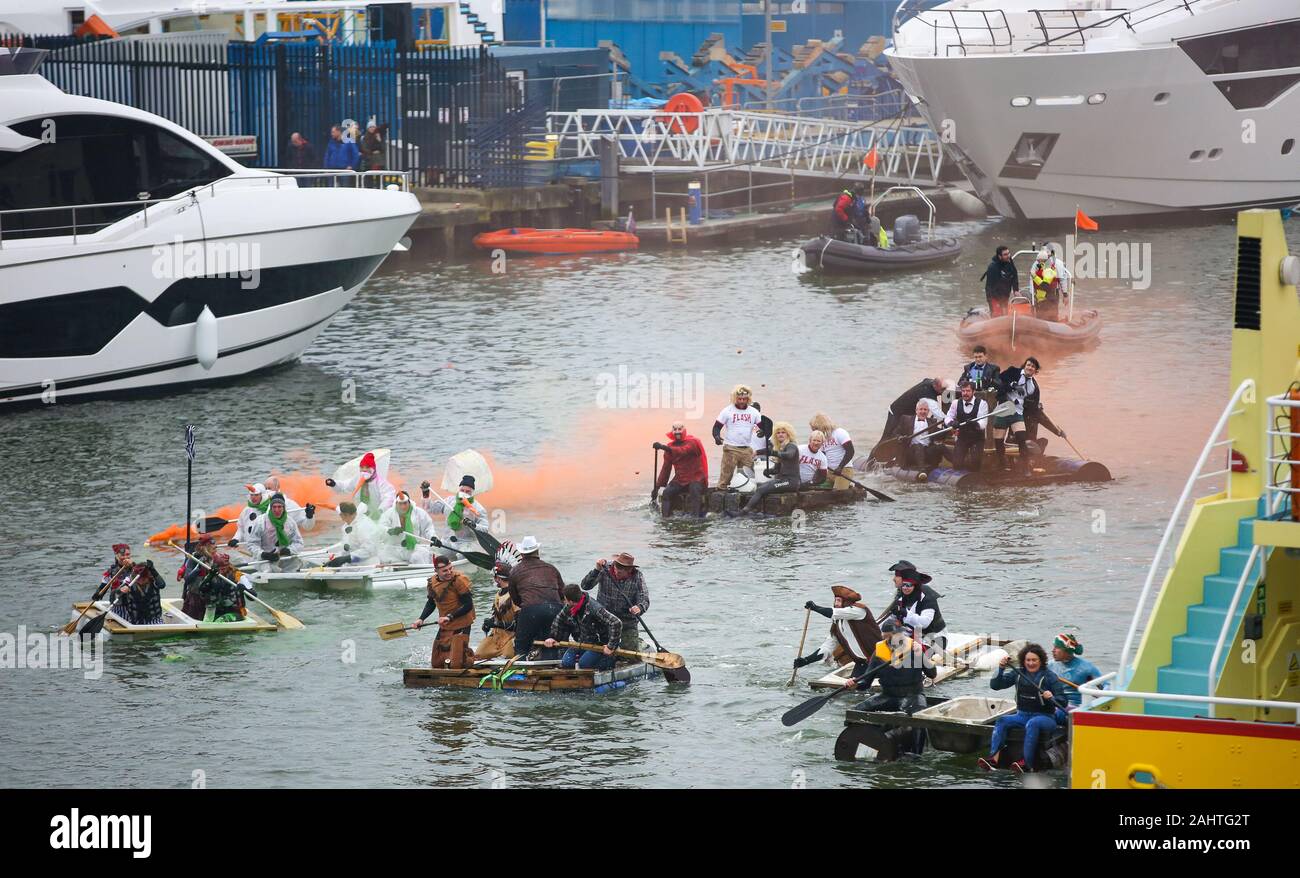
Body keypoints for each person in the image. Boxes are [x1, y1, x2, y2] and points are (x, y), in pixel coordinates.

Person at [981, 643, 1067, 772]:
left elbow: (1063, 701)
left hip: (1045, 718)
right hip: (1022, 715)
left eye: (1034, 660)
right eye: (1028, 660)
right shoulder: (1018, 673)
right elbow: (996, 685)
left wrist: (1052, 696)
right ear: (1023, 660)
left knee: (1033, 723)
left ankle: (1026, 763)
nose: (1031, 663)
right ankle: (994, 759)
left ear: (1041, 661)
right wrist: (1001, 668)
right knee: (1002, 721)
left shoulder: (1050, 676)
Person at [843, 618, 936, 715]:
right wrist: (856, 684)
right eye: (886, 637)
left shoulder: (914, 649)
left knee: (917, 715)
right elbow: (866, 682)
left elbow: (932, 674)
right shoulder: (879, 653)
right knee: (856, 711)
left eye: (893, 636)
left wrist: (922, 655)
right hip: (888, 696)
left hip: (913, 696)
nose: (890, 641)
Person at [792, 584, 883, 676]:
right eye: (835, 601)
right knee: (853, 688)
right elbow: (827, 648)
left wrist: (815, 608)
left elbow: (833, 613)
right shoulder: (837, 624)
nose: (836, 604)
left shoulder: (859, 611)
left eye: (839, 601)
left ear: (847, 602)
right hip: (862, 664)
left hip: (879, 661)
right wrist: (806, 660)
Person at [996, 356, 1064, 475]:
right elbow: (998, 382)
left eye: (1033, 366)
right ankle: (1001, 465)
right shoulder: (1013, 372)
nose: (1030, 367)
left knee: (1022, 438)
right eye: (1028, 365)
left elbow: (1035, 410)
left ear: (1036, 371)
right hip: (1004, 409)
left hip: (1018, 412)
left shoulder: (1034, 387)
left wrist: (1057, 431)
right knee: (998, 440)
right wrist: (1012, 385)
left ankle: (1025, 468)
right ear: (1024, 366)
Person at [412, 555, 476, 669]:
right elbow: (431, 603)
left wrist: (450, 617)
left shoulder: (459, 580)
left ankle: (469, 657)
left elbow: (468, 605)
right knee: (436, 662)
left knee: (456, 664)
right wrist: (421, 619)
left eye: (450, 568)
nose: (449, 572)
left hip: (462, 622)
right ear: (436, 571)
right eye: (445, 570)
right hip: (445, 624)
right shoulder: (432, 582)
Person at [507, 536, 566, 658]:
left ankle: (522, 669)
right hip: (555, 609)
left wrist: (527, 607)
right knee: (552, 643)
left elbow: (515, 598)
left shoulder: (515, 571)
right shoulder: (551, 568)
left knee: (521, 645)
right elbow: (562, 594)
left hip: (530, 610)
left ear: (522, 554)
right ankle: (552, 668)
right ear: (537, 552)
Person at [543, 584, 622, 671]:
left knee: (584, 664)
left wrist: (611, 646)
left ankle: (611, 660)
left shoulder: (594, 609)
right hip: (582, 643)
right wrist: (552, 637)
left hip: (600, 645)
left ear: (570, 601)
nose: (564, 602)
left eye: (565, 599)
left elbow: (616, 622)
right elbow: (559, 620)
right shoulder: (569, 607)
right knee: (567, 663)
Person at [580, 553, 648, 650]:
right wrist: (596, 570)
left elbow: (644, 598)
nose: (616, 574)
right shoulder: (605, 569)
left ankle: (639, 644)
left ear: (629, 571)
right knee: (601, 649)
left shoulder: (637, 577)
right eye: (615, 570)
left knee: (629, 653)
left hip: (627, 621)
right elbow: (585, 586)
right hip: (604, 619)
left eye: (620, 573)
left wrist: (639, 607)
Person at [735, 421, 800, 515]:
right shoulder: (780, 448)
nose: (780, 434)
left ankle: (743, 512)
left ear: (788, 434)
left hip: (791, 481)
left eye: (783, 432)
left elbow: (789, 455)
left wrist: (773, 453)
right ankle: (753, 510)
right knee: (760, 487)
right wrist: (769, 471)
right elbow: (777, 470)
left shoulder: (791, 446)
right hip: (783, 480)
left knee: (761, 490)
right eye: (778, 433)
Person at [421, 475, 488, 559]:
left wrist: (473, 525)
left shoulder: (478, 509)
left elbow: (485, 529)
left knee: (463, 556)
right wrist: (425, 494)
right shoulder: (449, 501)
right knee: (432, 552)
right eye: (462, 490)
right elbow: (431, 509)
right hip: (448, 541)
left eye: (468, 491)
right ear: (459, 489)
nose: (464, 493)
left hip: (466, 543)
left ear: (472, 493)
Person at [653, 421, 708, 517]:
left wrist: (664, 447)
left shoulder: (694, 442)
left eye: (680, 429)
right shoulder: (670, 446)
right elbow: (666, 468)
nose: (677, 432)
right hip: (680, 479)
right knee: (666, 493)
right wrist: (657, 487)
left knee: (694, 491)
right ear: (672, 431)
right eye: (675, 429)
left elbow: (684, 450)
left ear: (684, 430)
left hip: (696, 477)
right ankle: (665, 519)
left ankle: (696, 519)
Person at [713, 384, 763, 489]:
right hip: (730, 448)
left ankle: (747, 490)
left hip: (746, 449)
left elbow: (762, 426)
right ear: (735, 398)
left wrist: (762, 432)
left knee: (750, 474)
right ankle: (722, 491)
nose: (741, 401)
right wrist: (717, 436)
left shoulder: (753, 412)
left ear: (748, 399)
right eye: (739, 399)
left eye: (744, 399)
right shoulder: (727, 411)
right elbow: (716, 427)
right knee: (726, 475)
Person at [877, 377, 948, 448]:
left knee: (904, 438)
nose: (944, 391)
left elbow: (926, 379)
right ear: (935, 386)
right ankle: (871, 458)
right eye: (942, 389)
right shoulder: (926, 393)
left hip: (908, 415)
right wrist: (949, 420)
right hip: (896, 412)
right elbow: (937, 413)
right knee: (886, 438)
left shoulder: (931, 382)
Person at [887, 560, 946, 644]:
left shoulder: (926, 595)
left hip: (934, 638)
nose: (893, 579)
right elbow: (894, 619)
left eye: (897, 576)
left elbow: (924, 623)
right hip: (913, 635)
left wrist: (905, 613)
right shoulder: (901, 594)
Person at [326, 451, 396, 523]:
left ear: (373, 468)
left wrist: (380, 511)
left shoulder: (381, 483)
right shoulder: (357, 478)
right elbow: (345, 486)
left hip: (377, 516)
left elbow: (389, 498)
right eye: (362, 467)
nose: (364, 469)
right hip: (360, 515)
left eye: (367, 467)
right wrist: (334, 484)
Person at [379, 491, 437, 565]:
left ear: (409, 502)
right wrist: (390, 531)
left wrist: (433, 537)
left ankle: (421, 575)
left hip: (413, 548)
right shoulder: (389, 513)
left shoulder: (419, 513)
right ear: (396, 503)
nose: (403, 506)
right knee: (382, 557)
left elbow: (428, 528)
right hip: (393, 549)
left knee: (419, 556)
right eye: (400, 504)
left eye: (405, 503)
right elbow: (380, 528)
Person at [944, 379, 990, 471]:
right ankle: (962, 476)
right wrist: (951, 423)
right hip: (962, 437)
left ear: (974, 391)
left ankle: (974, 476)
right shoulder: (955, 403)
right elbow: (948, 417)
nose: (965, 393)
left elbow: (983, 423)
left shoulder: (982, 404)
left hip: (977, 438)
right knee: (956, 464)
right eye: (963, 391)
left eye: (968, 391)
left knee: (975, 462)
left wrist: (974, 423)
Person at [476, 562, 518, 661]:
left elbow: (520, 624)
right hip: (497, 636)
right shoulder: (498, 594)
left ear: (498, 578)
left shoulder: (515, 596)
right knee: (478, 655)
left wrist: (496, 624)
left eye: (495, 578)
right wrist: (488, 624)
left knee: (506, 657)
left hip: (512, 637)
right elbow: (498, 616)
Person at [1047, 633, 1102, 709]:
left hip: (1076, 707)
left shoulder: (1086, 667)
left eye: (1057, 647)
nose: (1053, 650)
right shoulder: (1049, 666)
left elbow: (1106, 686)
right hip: (1055, 703)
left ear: (1067, 650)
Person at [252, 493, 305, 570]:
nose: (277, 510)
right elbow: (252, 544)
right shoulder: (260, 522)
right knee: (268, 570)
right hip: (264, 560)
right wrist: (263, 554)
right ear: (271, 507)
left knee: (298, 563)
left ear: (284, 507)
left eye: (279, 507)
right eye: (274, 507)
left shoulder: (290, 522)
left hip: (283, 557)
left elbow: (299, 543)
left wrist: (289, 550)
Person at [322, 500, 380, 568]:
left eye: (341, 514)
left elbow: (369, 550)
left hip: (367, 566)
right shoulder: (348, 524)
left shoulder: (364, 525)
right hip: (352, 565)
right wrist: (336, 559)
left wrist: (347, 558)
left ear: (346, 515)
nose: (340, 516)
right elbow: (347, 548)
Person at [196, 553, 249, 623]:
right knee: (207, 621)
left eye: (224, 567)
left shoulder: (237, 575)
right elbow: (201, 589)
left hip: (234, 611)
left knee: (220, 620)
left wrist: (243, 588)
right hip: (216, 609)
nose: (221, 570)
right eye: (219, 567)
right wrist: (209, 577)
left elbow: (252, 596)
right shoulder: (212, 574)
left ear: (228, 565)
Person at [109, 561, 166, 625]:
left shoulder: (154, 583)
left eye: (144, 579)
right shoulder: (129, 584)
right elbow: (111, 599)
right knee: (119, 604)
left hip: (153, 619)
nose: (141, 581)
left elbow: (162, 585)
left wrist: (153, 569)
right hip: (134, 619)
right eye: (139, 579)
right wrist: (120, 591)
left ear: (149, 577)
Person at [809, 414, 855, 489]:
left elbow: (850, 451)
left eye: (815, 429)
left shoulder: (839, 432)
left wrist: (840, 467)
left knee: (837, 492)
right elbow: (821, 457)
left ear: (822, 426)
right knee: (817, 489)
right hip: (830, 471)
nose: (814, 431)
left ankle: (846, 485)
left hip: (844, 470)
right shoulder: (821, 438)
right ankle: (847, 485)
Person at [898, 399, 944, 469]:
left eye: (925, 410)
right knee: (918, 446)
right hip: (911, 452)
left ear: (928, 411)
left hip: (926, 451)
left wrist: (950, 430)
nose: (923, 412)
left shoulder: (932, 422)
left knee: (941, 447)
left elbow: (940, 435)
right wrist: (900, 437)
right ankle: (922, 470)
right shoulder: (906, 419)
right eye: (921, 409)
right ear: (916, 411)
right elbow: (896, 433)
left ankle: (957, 466)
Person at [228, 482, 270, 557]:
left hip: (269, 548)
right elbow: (241, 529)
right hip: (251, 550)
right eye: (252, 495)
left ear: (262, 495)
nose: (253, 497)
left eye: (256, 495)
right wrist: (236, 539)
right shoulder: (246, 511)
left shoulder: (271, 509)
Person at [980, 245, 1020, 317]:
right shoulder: (993, 267)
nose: (1008, 256)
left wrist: (1015, 289)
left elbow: (1014, 274)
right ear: (999, 256)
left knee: (1005, 313)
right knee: (997, 315)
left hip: (1005, 294)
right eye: (1005, 254)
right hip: (994, 296)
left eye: (1008, 253)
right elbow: (992, 287)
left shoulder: (1009, 261)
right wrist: (1000, 301)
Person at [1030, 246, 1066, 322]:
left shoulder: (1049, 271)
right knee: (1040, 318)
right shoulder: (1041, 269)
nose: (1038, 263)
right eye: (1038, 261)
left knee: (1049, 318)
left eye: (1039, 261)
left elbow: (1045, 286)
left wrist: (1034, 276)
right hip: (1041, 299)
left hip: (1048, 299)